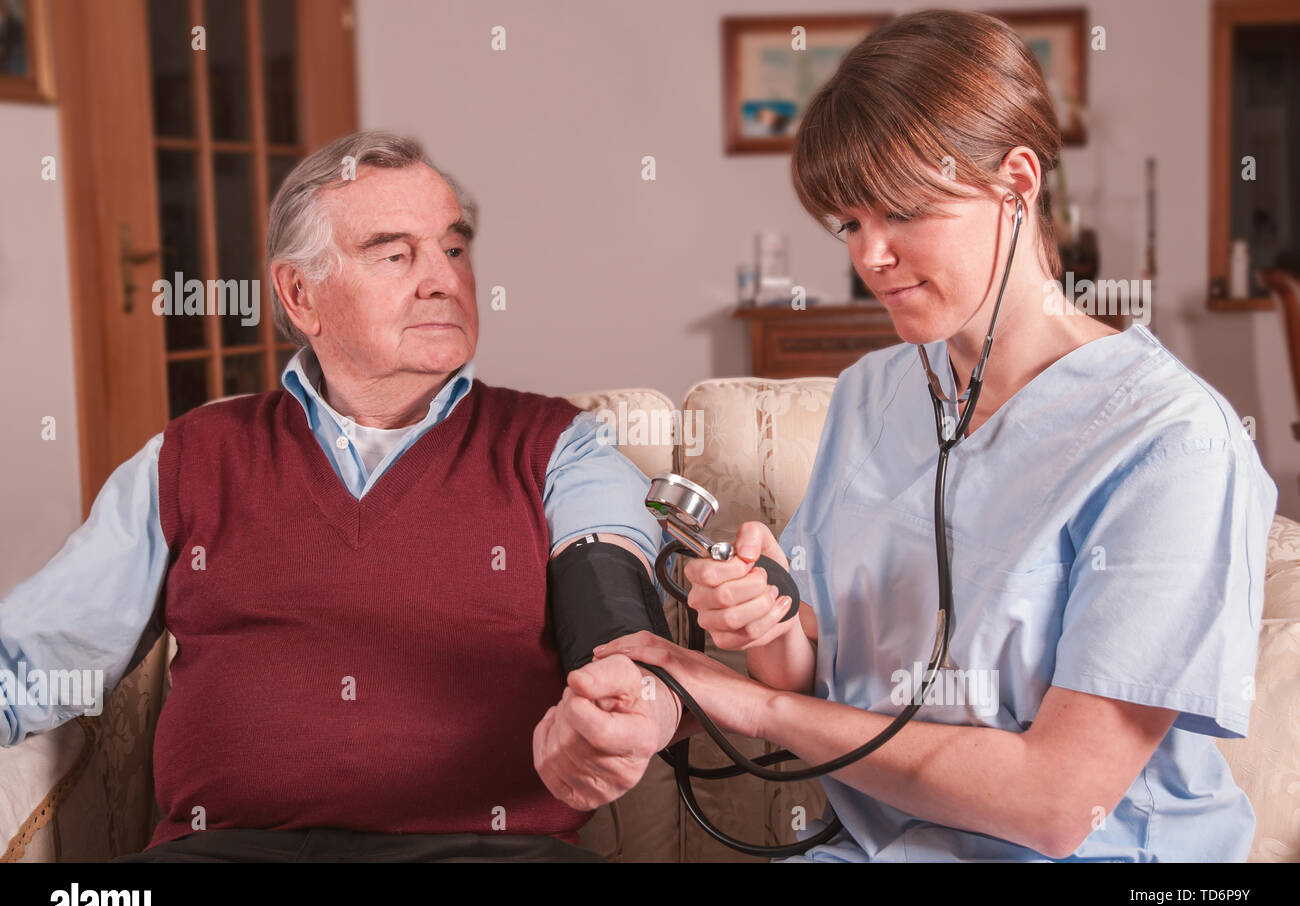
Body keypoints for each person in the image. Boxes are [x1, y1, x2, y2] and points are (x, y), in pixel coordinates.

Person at [591, 10, 1278, 862]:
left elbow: (1056, 804)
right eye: (848, 222)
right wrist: (766, 622)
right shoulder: (874, 393)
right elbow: (810, 664)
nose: (871, 254)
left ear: (1017, 183)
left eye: (903, 209)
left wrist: (742, 702)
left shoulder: (1174, 443)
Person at [0, 131, 684, 862]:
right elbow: (31, 659)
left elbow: (611, 598)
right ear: (301, 294)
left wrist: (626, 692)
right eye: (395, 255)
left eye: (453, 249)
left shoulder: (559, 447)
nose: (442, 280)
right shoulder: (190, 458)